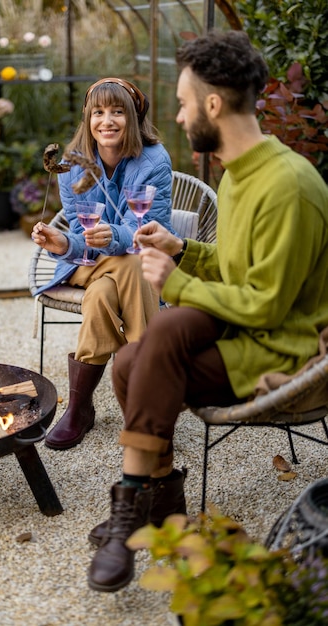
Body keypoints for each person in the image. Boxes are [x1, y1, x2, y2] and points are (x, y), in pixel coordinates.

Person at [87, 30, 328, 593]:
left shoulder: (288, 185)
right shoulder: (241, 173)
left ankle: (132, 514)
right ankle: (160, 503)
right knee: (133, 360)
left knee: (144, 353)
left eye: (183, 101)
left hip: (280, 347)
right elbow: (239, 264)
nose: (177, 111)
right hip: (240, 325)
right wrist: (184, 250)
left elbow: (267, 302)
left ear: (213, 105)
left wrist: (179, 282)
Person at [32, 78, 175, 451]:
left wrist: (113, 236)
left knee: (102, 295)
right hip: (91, 262)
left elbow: (147, 232)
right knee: (122, 268)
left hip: (143, 261)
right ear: (87, 118)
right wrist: (61, 242)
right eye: (98, 112)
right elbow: (84, 243)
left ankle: (79, 408)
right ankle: (147, 398)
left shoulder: (153, 161)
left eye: (116, 112)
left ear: (132, 117)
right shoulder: (73, 166)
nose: (106, 121)